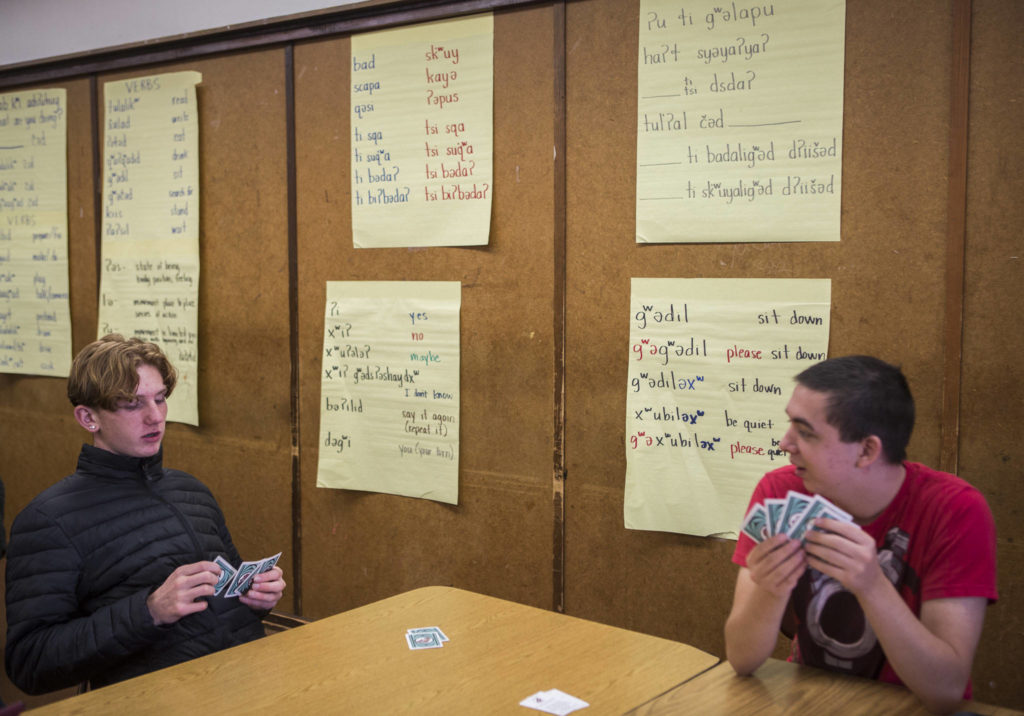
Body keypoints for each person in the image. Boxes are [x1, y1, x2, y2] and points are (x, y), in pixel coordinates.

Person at [4, 335, 286, 694]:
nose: (155, 416)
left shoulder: (191, 492)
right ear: (88, 417)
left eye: (160, 398)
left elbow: (223, 602)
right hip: (158, 700)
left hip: (247, 685)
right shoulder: (48, 520)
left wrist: (256, 597)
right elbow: (31, 663)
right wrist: (149, 611)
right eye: (131, 403)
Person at [725, 355, 997, 714]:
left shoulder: (956, 510)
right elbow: (742, 659)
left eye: (804, 431)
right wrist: (770, 589)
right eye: (789, 424)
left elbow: (945, 690)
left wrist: (872, 585)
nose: (784, 442)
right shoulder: (780, 491)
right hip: (813, 699)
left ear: (867, 450)